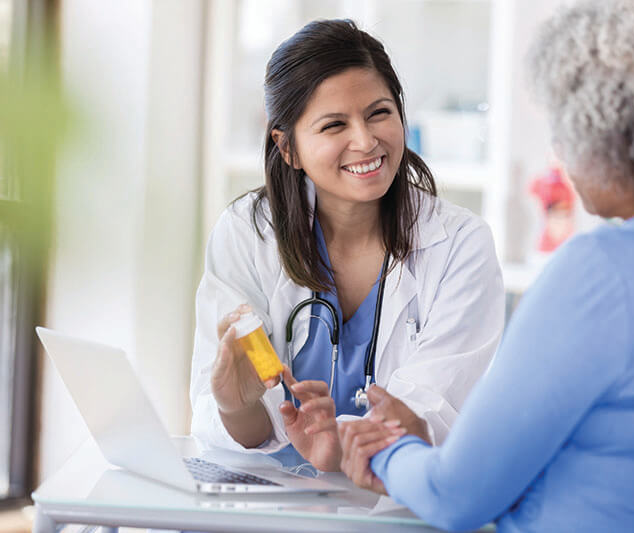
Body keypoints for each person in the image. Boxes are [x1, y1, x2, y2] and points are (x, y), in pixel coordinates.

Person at [338, 0, 634, 530]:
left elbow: (455, 496)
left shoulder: (602, 274)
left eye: (565, 127)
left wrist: (386, 449)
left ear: (611, 135)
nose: (562, 151)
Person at [188, 19, 505, 472]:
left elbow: (431, 414)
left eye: (379, 112)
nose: (365, 140)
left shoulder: (459, 246)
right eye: (334, 124)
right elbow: (228, 415)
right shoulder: (248, 233)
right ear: (288, 148)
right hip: (268, 502)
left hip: (395, 499)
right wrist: (239, 408)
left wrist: (338, 447)